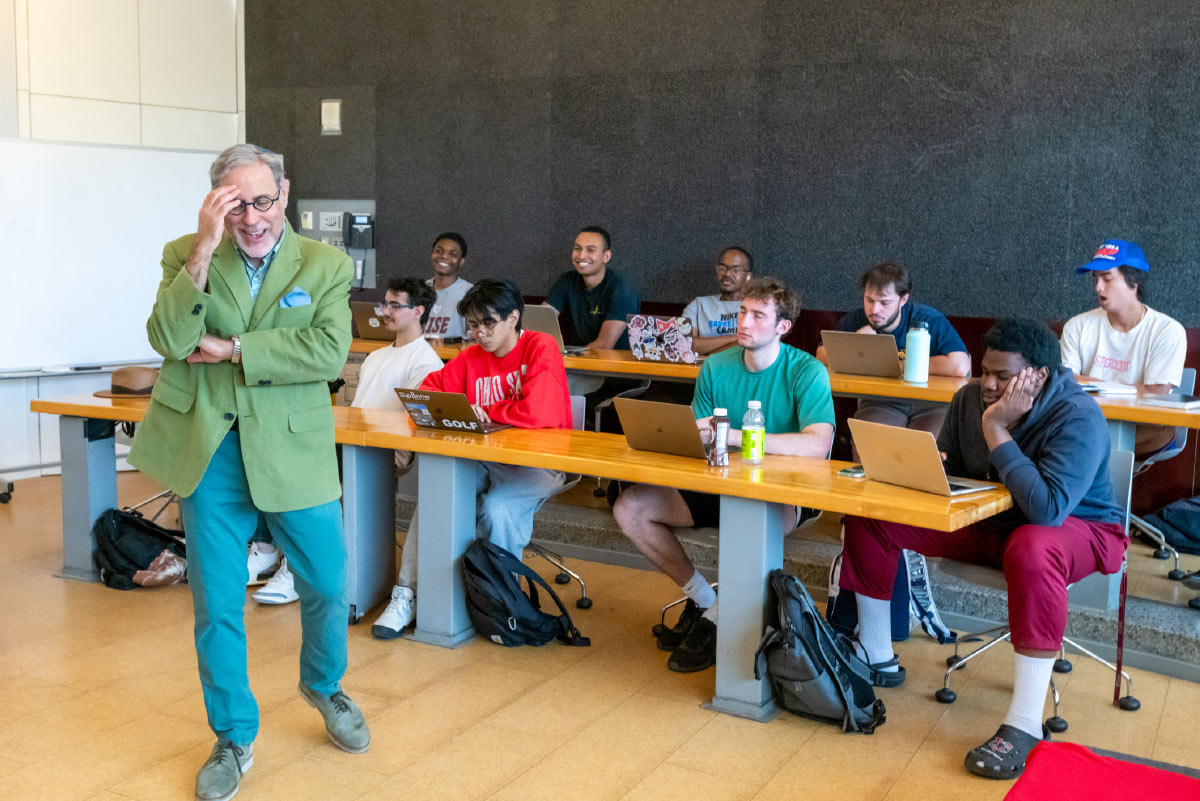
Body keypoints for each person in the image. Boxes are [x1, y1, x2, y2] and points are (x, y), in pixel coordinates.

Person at [127, 144, 370, 801]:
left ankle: (323, 684)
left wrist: (235, 350)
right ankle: (233, 734)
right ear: (216, 205)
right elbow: (170, 339)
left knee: (326, 580)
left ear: (284, 194)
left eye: (262, 201)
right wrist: (204, 249)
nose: (253, 218)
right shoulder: (187, 252)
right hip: (212, 452)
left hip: (294, 451)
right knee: (217, 604)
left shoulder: (325, 264)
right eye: (235, 206)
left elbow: (327, 352)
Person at [837, 318, 1125, 780]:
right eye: (985, 371)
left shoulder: (1078, 416)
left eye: (1003, 376)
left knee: (1034, 546)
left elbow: (1048, 509)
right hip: (990, 518)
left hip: (1078, 529)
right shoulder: (969, 396)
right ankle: (875, 656)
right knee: (874, 513)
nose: (988, 384)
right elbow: (954, 467)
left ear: (1038, 376)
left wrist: (997, 429)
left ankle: (1025, 723)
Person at [612, 278, 835, 672]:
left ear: (782, 327)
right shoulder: (716, 366)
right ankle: (705, 602)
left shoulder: (807, 371)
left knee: (746, 523)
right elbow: (699, 434)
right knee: (630, 508)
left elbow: (818, 445)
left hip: (780, 492)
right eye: (742, 312)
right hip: (715, 479)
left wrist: (734, 434)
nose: (744, 322)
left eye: (758, 315)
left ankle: (716, 624)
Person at [372, 278, 573, 639]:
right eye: (473, 325)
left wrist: (487, 411)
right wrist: (465, 409)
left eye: (488, 324)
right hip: (486, 458)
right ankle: (408, 593)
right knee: (439, 491)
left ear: (513, 318)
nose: (479, 333)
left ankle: (501, 603)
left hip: (539, 462)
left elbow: (539, 411)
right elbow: (427, 392)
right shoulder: (472, 357)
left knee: (496, 508)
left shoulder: (540, 347)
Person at [252, 275, 444, 605]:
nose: (384, 311)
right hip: (355, 444)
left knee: (314, 479)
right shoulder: (376, 356)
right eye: (384, 303)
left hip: (385, 452)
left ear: (418, 311)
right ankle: (275, 554)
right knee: (280, 459)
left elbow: (408, 425)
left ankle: (296, 569)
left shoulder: (426, 362)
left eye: (394, 305)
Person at [816, 262, 970, 442]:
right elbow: (821, 356)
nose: (874, 310)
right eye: (869, 300)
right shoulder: (856, 320)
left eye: (884, 303)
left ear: (903, 300)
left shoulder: (928, 319)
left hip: (931, 404)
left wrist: (894, 364)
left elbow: (960, 365)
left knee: (926, 449)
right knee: (869, 440)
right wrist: (857, 342)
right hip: (881, 400)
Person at [1060, 239, 1186, 459]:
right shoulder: (1077, 326)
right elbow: (1065, 382)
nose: (1098, 287)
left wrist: (1086, 380)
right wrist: (1135, 388)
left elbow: (1155, 394)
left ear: (1134, 281)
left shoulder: (1168, 330)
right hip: (1087, 420)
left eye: (1107, 279)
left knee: (1080, 444)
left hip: (1145, 426)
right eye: (1096, 279)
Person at [545, 225, 641, 352]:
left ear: (606, 256)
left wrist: (565, 355)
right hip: (578, 362)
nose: (581, 255)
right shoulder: (567, 280)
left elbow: (604, 345)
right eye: (577, 248)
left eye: (591, 250)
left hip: (615, 366)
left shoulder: (622, 289)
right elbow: (541, 321)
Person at [683, 246, 754, 356]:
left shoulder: (757, 307)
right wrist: (736, 338)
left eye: (735, 270)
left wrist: (707, 354)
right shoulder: (698, 305)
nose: (727, 274)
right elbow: (684, 345)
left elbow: (753, 346)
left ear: (748, 276)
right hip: (702, 372)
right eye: (722, 268)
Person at [423, 231, 473, 340]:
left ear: (461, 262)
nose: (444, 256)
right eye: (438, 251)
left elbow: (475, 338)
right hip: (420, 355)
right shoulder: (419, 290)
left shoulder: (471, 293)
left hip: (453, 355)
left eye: (453, 254)